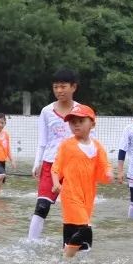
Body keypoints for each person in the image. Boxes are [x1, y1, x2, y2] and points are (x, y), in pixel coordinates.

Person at [50, 104, 112, 258]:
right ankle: (65, 260)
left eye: (80, 120)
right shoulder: (67, 145)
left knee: (76, 234)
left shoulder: (98, 147)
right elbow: (56, 167)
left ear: (92, 123)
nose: (76, 124)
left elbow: (105, 168)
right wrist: (56, 183)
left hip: (88, 196)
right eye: (72, 122)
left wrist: (110, 174)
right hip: (70, 194)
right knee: (85, 230)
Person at [29, 69, 82, 239]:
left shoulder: (82, 110)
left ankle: (74, 244)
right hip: (50, 164)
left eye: (63, 86)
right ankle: (31, 243)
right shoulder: (46, 111)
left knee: (74, 207)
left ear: (73, 87)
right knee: (42, 206)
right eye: (55, 87)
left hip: (74, 167)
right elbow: (43, 141)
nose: (59, 90)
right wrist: (37, 163)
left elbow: (90, 140)